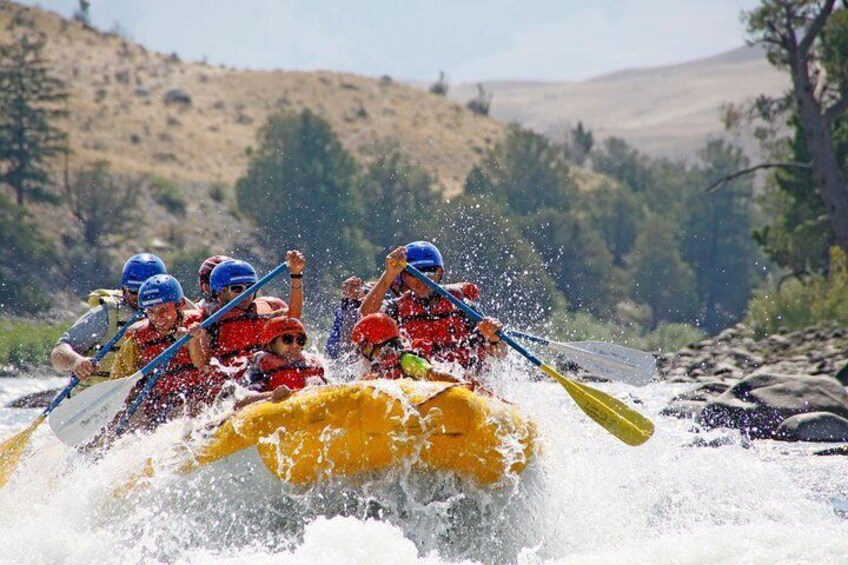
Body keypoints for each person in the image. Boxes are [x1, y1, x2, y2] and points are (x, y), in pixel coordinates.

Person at [359, 241, 506, 371]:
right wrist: (389, 275)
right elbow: (365, 317)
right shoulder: (397, 307)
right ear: (404, 277)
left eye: (428, 271)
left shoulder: (462, 307)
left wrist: (494, 339)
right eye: (413, 273)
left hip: (463, 382)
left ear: (439, 272)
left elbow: (501, 355)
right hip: (418, 383)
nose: (421, 279)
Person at [50, 253, 167, 392]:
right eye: (135, 291)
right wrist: (76, 362)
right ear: (124, 289)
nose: (141, 298)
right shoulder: (105, 314)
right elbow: (58, 352)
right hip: (97, 399)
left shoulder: (174, 312)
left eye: (149, 292)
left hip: (143, 400)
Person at [109, 274, 207, 430]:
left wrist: (192, 342)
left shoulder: (198, 323)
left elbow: (203, 366)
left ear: (180, 304)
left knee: (191, 410)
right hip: (158, 404)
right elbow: (121, 379)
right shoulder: (137, 337)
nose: (158, 318)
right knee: (122, 423)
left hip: (197, 398)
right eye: (151, 312)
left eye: (164, 310)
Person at [188, 252, 305, 375]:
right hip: (237, 381)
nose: (246, 294)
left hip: (268, 371)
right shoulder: (210, 319)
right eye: (237, 289)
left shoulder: (266, 308)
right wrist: (194, 340)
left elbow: (293, 318)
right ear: (220, 292)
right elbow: (202, 364)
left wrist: (296, 274)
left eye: (250, 287)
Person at [350, 313, 478, 388]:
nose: (361, 353)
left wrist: (461, 384)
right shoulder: (379, 368)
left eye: (362, 347)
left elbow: (433, 373)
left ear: (373, 343)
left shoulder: (406, 360)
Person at [236, 316, 326, 410]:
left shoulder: (310, 364)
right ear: (270, 345)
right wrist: (271, 395)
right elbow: (240, 402)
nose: (295, 345)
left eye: (300, 340)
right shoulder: (260, 368)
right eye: (287, 339)